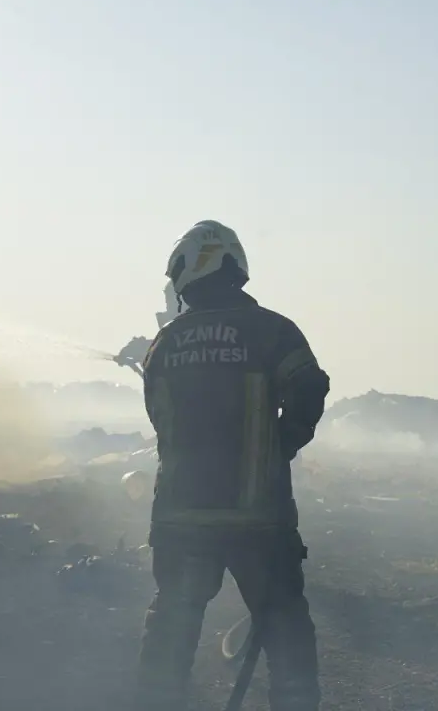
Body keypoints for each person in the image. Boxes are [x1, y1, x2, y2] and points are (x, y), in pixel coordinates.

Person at [135, 220, 330, 711]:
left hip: (181, 519)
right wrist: (280, 445)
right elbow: (309, 387)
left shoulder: (166, 342)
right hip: (259, 519)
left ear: (189, 270)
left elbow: (161, 423)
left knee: (171, 631)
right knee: (285, 629)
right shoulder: (273, 331)